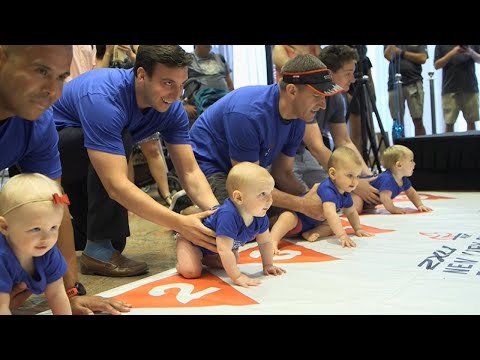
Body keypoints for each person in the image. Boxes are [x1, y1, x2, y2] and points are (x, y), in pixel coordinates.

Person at [53, 45, 220, 277]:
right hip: (47, 156)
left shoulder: (172, 110)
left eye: (181, 85)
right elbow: (116, 186)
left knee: (110, 240)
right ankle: (97, 253)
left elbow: (190, 171)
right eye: (168, 83)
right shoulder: (104, 97)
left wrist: (217, 215)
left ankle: (58, 240)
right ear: (141, 74)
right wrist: (180, 224)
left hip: (86, 162)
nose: (176, 95)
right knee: (121, 139)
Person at [0, 45, 131, 314]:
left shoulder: (36, 121)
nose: (53, 91)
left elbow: (56, 203)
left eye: (61, 77)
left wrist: (70, 291)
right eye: (41, 71)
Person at [189, 53, 344, 222]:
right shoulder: (248, 114)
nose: (322, 105)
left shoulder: (298, 119)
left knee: (290, 217)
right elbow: (248, 185)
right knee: (239, 224)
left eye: (324, 98)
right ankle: (191, 208)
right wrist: (302, 204)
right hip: (209, 164)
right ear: (292, 90)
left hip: (244, 169)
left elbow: (282, 173)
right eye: (316, 96)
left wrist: (309, 197)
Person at [295, 45, 380, 207]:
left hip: (303, 154)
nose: (353, 79)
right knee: (328, 202)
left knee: (355, 200)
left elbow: (344, 141)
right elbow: (317, 147)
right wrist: (354, 183)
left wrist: (366, 178)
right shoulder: (308, 95)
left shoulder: (336, 98)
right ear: (329, 74)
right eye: (348, 74)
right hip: (288, 156)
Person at [176, 162, 286, 287]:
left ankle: (201, 258)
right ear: (239, 198)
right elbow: (224, 249)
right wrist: (237, 276)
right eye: (262, 194)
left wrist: (268, 265)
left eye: (270, 192)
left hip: (213, 248)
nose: (270, 199)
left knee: (233, 259)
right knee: (191, 271)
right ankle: (182, 247)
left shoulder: (259, 214)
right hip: (193, 241)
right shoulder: (228, 215)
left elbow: (265, 242)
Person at [271, 146, 374, 253]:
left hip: (314, 224)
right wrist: (342, 235)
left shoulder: (345, 192)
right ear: (333, 174)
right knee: (288, 217)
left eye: (357, 176)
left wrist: (357, 228)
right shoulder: (327, 188)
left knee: (331, 226)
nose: (355, 181)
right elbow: (330, 213)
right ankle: (273, 241)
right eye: (350, 176)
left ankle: (312, 233)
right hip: (298, 221)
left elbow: (351, 212)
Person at [0, 173, 72, 315]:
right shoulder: (2, 258)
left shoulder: (48, 251)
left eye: (53, 228)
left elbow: (56, 294)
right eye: (35, 229)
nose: (46, 238)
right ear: (4, 227)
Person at [353, 145, 433, 215]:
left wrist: (419, 205)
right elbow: (385, 198)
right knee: (356, 209)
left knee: (363, 208)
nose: (414, 164)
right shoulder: (387, 179)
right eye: (411, 161)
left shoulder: (403, 180)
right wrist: (393, 209)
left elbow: (412, 193)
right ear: (399, 165)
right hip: (356, 192)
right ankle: (343, 205)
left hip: (368, 201)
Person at [182, 45, 234, 125]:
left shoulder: (220, 58)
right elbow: (175, 84)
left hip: (223, 100)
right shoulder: (187, 59)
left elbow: (229, 84)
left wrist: (233, 100)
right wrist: (183, 105)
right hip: (201, 104)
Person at [434, 45, 480, 133]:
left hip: (470, 87)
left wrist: (471, 53)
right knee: (449, 123)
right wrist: (452, 53)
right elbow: (437, 65)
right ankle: (448, 146)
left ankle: (472, 146)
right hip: (449, 88)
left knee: (471, 122)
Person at [384, 45, 428, 136]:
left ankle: (421, 148)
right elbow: (388, 55)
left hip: (413, 82)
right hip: (394, 84)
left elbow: (423, 58)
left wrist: (402, 53)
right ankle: (398, 149)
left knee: (418, 120)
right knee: (397, 122)